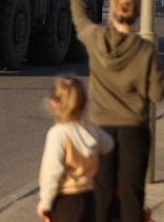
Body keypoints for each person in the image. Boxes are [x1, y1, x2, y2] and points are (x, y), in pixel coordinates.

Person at [47, 0, 164, 222]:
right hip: (134, 129)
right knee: (133, 196)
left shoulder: (96, 38)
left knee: (102, 196)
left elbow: (79, 20)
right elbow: (157, 94)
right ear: (135, 13)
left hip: (100, 129)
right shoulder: (145, 50)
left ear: (112, 12)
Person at [37, 76, 115, 222]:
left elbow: (53, 173)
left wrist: (45, 202)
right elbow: (108, 144)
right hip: (89, 196)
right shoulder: (90, 129)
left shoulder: (58, 134)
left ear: (54, 102)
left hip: (64, 200)